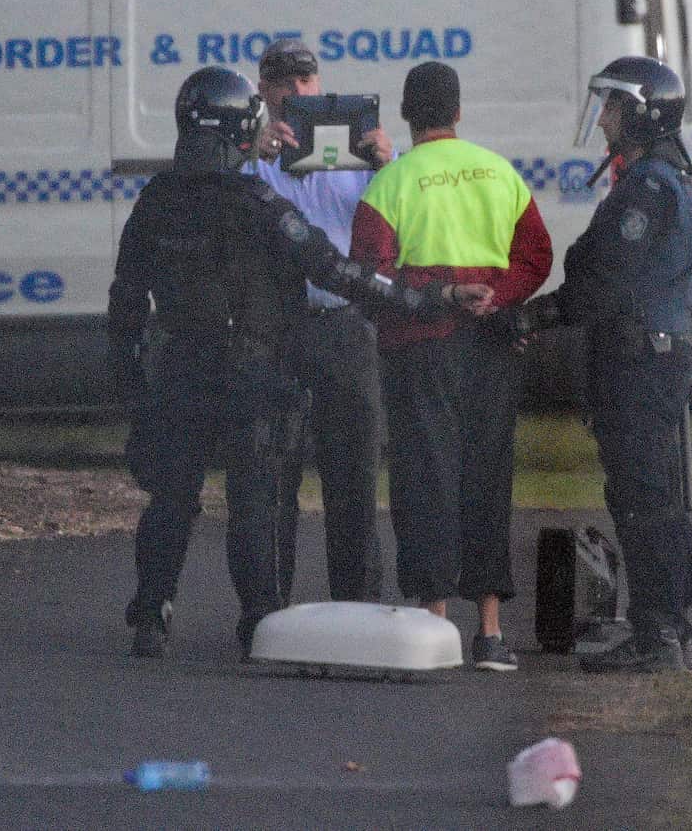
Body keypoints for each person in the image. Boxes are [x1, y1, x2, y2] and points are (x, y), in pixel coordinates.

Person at [107, 65, 493, 660]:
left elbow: (125, 299)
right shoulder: (256, 203)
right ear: (242, 132)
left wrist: (133, 385)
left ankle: (152, 613)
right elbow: (338, 272)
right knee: (254, 499)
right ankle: (259, 621)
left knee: (172, 497)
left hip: (178, 368)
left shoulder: (155, 201)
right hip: (251, 372)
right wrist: (427, 300)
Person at [490, 56, 692, 673]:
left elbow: (601, 280)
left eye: (612, 106)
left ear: (640, 113)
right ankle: (671, 627)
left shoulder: (647, 190)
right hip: (654, 353)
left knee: (642, 497)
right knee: (655, 494)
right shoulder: (670, 180)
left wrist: (534, 317)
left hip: (638, 358)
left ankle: (659, 633)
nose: (604, 118)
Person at [349, 62, 553, 672]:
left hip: (420, 347)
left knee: (424, 477)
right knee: (487, 476)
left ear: (407, 118)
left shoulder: (391, 183)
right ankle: (490, 631)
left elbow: (369, 275)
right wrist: (498, 295)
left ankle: (434, 625)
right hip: (491, 345)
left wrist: (438, 289)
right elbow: (536, 256)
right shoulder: (499, 172)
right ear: (459, 113)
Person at [242, 38, 392, 604]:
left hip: (345, 326)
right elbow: (227, 207)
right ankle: (267, 613)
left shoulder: (349, 152)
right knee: (271, 481)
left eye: (307, 81)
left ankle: (359, 610)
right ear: (266, 91)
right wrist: (249, 153)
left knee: (353, 479)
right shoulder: (252, 155)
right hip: (277, 329)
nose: (299, 91)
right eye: (286, 82)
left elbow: (392, 228)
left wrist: (387, 165)